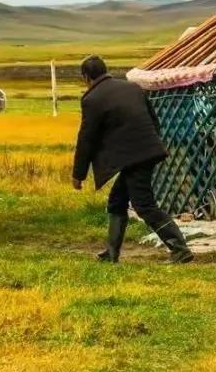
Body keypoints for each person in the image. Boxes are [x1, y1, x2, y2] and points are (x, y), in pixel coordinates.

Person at [72, 55, 193, 264]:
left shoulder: (92, 99)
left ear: (86, 77)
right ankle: (111, 252)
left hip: (134, 157)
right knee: (117, 202)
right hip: (146, 151)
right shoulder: (133, 88)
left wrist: (78, 175)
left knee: (144, 205)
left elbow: (86, 139)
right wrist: (149, 146)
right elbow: (154, 120)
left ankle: (179, 248)